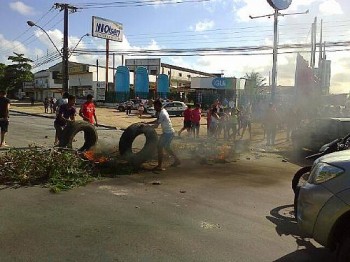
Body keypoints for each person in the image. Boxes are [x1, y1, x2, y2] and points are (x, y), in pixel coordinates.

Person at [146, 99, 180, 171]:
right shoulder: (162, 111)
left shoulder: (162, 114)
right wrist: (147, 123)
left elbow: (156, 126)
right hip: (169, 132)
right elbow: (157, 121)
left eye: (155, 106)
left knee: (159, 147)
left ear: (158, 106)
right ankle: (177, 160)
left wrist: (146, 126)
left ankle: (159, 166)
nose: (154, 108)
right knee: (167, 147)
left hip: (168, 133)